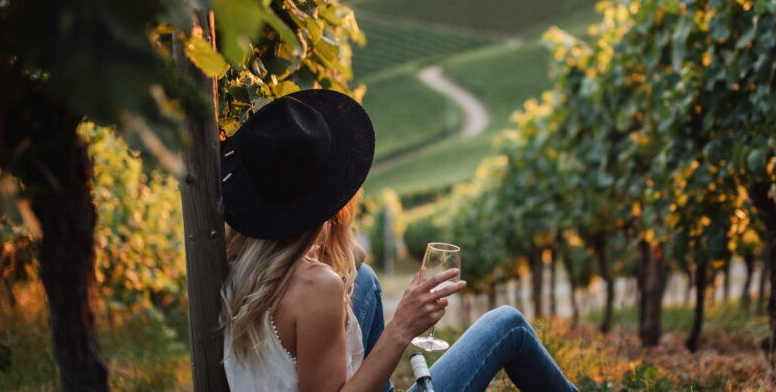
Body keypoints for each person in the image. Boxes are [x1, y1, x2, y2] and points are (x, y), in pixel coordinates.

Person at [219, 89, 576, 392]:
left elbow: (351, 259)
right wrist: (404, 325)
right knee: (507, 324)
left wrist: (330, 223)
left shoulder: (239, 256)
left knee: (367, 278)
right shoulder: (317, 287)